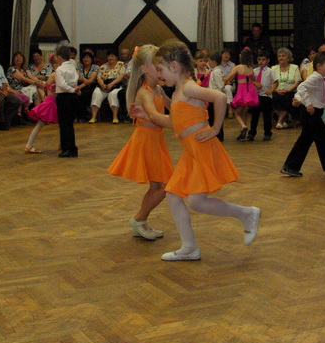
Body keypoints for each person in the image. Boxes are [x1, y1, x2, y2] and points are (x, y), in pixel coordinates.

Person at [131, 41, 259, 262]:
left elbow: (220, 97)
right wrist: (146, 115)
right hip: (190, 152)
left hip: (201, 149)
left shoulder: (189, 87)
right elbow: (177, 120)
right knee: (173, 195)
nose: (159, 75)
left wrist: (215, 128)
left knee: (196, 202)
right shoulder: (178, 91)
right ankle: (189, 247)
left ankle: (247, 214)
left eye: (161, 69)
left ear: (173, 66)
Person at [107, 44, 173, 240]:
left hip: (156, 139)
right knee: (163, 186)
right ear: (144, 68)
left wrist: (191, 103)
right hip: (147, 141)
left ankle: (140, 221)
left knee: (158, 186)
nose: (161, 67)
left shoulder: (157, 88)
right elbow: (155, 117)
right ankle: (138, 219)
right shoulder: (144, 92)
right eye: (156, 64)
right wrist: (180, 123)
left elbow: (172, 105)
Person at [280, 51, 325, 178]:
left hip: (314, 113)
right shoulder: (315, 77)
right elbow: (302, 87)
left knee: (308, 140)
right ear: (318, 66)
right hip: (311, 114)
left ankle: (290, 166)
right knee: (323, 140)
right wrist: (308, 104)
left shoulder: (321, 78)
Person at [225, 48, 259, 141]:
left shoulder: (238, 67)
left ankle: (243, 127)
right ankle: (243, 133)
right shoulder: (251, 69)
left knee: (237, 113)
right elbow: (252, 79)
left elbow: (228, 78)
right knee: (244, 112)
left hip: (242, 91)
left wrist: (223, 80)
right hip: (250, 90)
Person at [23, 68, 58, 154]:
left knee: (40, 125)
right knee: (39, 125)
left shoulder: (52, 76)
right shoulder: (55, 75)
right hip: (50, 103)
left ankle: (29, 145)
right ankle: (28, 146)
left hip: (50, 102)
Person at [53, 46, 79, 158]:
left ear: (59, 57)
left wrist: (71, 89)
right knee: (69, 123)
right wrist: (73, 89)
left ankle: (67, 149)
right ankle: (72, 148)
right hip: (72, 97)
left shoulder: (60, 69)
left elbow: (62, 84)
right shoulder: (72, 67)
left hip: (64, 97)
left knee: (64, 124)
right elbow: (75, 79)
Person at [90, 51, 126, 123]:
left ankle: (115, 117)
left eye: (112, 56)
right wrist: (102, 84)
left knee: (113, 94)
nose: (110, 58)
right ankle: (93, 117)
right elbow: (99, 78)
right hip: (104, 85)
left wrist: (111, 84)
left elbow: (121, 77)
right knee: (96, 93)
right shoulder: (103, 66)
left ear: (116, 57)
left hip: (116, 85)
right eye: (109, 56)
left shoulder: (121, 64)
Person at [248, 51, 274, 141]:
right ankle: (252, 132)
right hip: (256, 95)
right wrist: (255, 83)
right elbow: (250, 80)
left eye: (263, 59)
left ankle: (267, 133)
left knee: (267, 116)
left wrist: (271, 90)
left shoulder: (270, 71)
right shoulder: (254, 71)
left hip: (266, 96)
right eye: (259, 59)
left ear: (268, 60)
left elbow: (276, 82)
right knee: (254, 115)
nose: (261, 61)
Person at [272, 47, 301, 129]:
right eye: (279, 56)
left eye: (283, 56)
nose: (281, 58)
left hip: (290, 91)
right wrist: (276, 90)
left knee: (287, 98)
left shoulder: (295, 67)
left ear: (288, 58)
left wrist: (289, 90)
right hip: (276, 90)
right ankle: (283, 119)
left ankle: (280, 120)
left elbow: (297, 82)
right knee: (272, 97)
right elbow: (270, 82)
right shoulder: (273, 68)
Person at [75, 49, 100, 123]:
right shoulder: (79, 66)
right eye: (84, 58)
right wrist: (82, 79)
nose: (86, 59)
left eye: (87, 57)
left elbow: (91, 80)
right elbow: (76, 77)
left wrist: (80, 86)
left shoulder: (95, 67)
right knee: (74, 95)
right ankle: (77, 116)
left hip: (91, 87)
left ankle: (85, 116)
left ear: (91, 59)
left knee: (84, 94)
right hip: (79, 85)